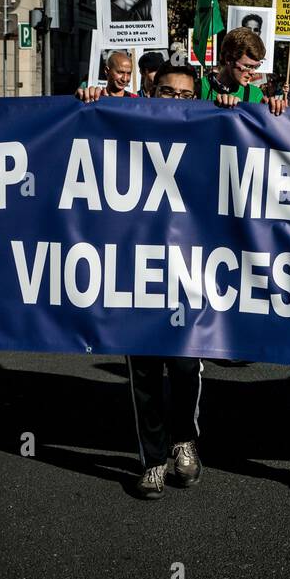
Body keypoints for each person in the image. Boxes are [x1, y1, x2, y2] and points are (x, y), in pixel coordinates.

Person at [76, 67, 207, 498]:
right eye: (167, 91)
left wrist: (242, 107)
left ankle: (183, 441)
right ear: (150, 91)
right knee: (146, 374)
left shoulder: (211, 129)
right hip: (135, 270)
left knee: (186, 366)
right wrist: (89, 99)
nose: (175, 99)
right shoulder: (125, 121)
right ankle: (152, 460)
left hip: (188, 271)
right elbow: (84, 126)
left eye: (185, 95)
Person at [198, 29, 267, 104]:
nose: (252, 72)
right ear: (228, 59)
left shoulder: (255, 95)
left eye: (256, 67)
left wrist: (276, 108)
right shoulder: (198, 88)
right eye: (248, 66)